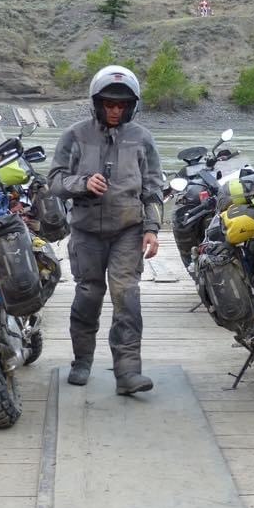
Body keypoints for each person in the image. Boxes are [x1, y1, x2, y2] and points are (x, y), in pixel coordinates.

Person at [48, 65, 164, 396]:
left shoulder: (142, 138)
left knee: (127, 296)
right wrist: (82, 183)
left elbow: (154, 187)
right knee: (88, 295)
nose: (115, 110)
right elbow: (54, 180)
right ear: (97, 104)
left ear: (131, 106)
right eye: (109, 104)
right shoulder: (75, 135)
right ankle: (81, 361)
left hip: (127, 230)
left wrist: (152, 228)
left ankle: (128, 372)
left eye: (122, 105)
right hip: (85, 232)